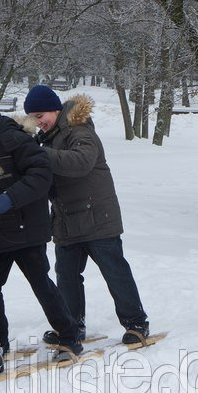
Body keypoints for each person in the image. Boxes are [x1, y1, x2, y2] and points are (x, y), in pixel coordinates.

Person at [0, 83, 83, 360]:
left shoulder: (14, 138)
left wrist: (10, 198)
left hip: (25, 230)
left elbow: (41, 174)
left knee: (41, 284)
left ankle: (70, 337)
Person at [23, 85, 150, 345]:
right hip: (66, 220)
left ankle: (136, 322)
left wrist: (39, 154)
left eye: (40, 116)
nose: (38, 123)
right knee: (66, 276)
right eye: (33, 118)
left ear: (55, 109)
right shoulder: (45, 139)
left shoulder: (80, 130)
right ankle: (72, 327)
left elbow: (79, 163)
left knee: (114, 271)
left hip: (97, 216)